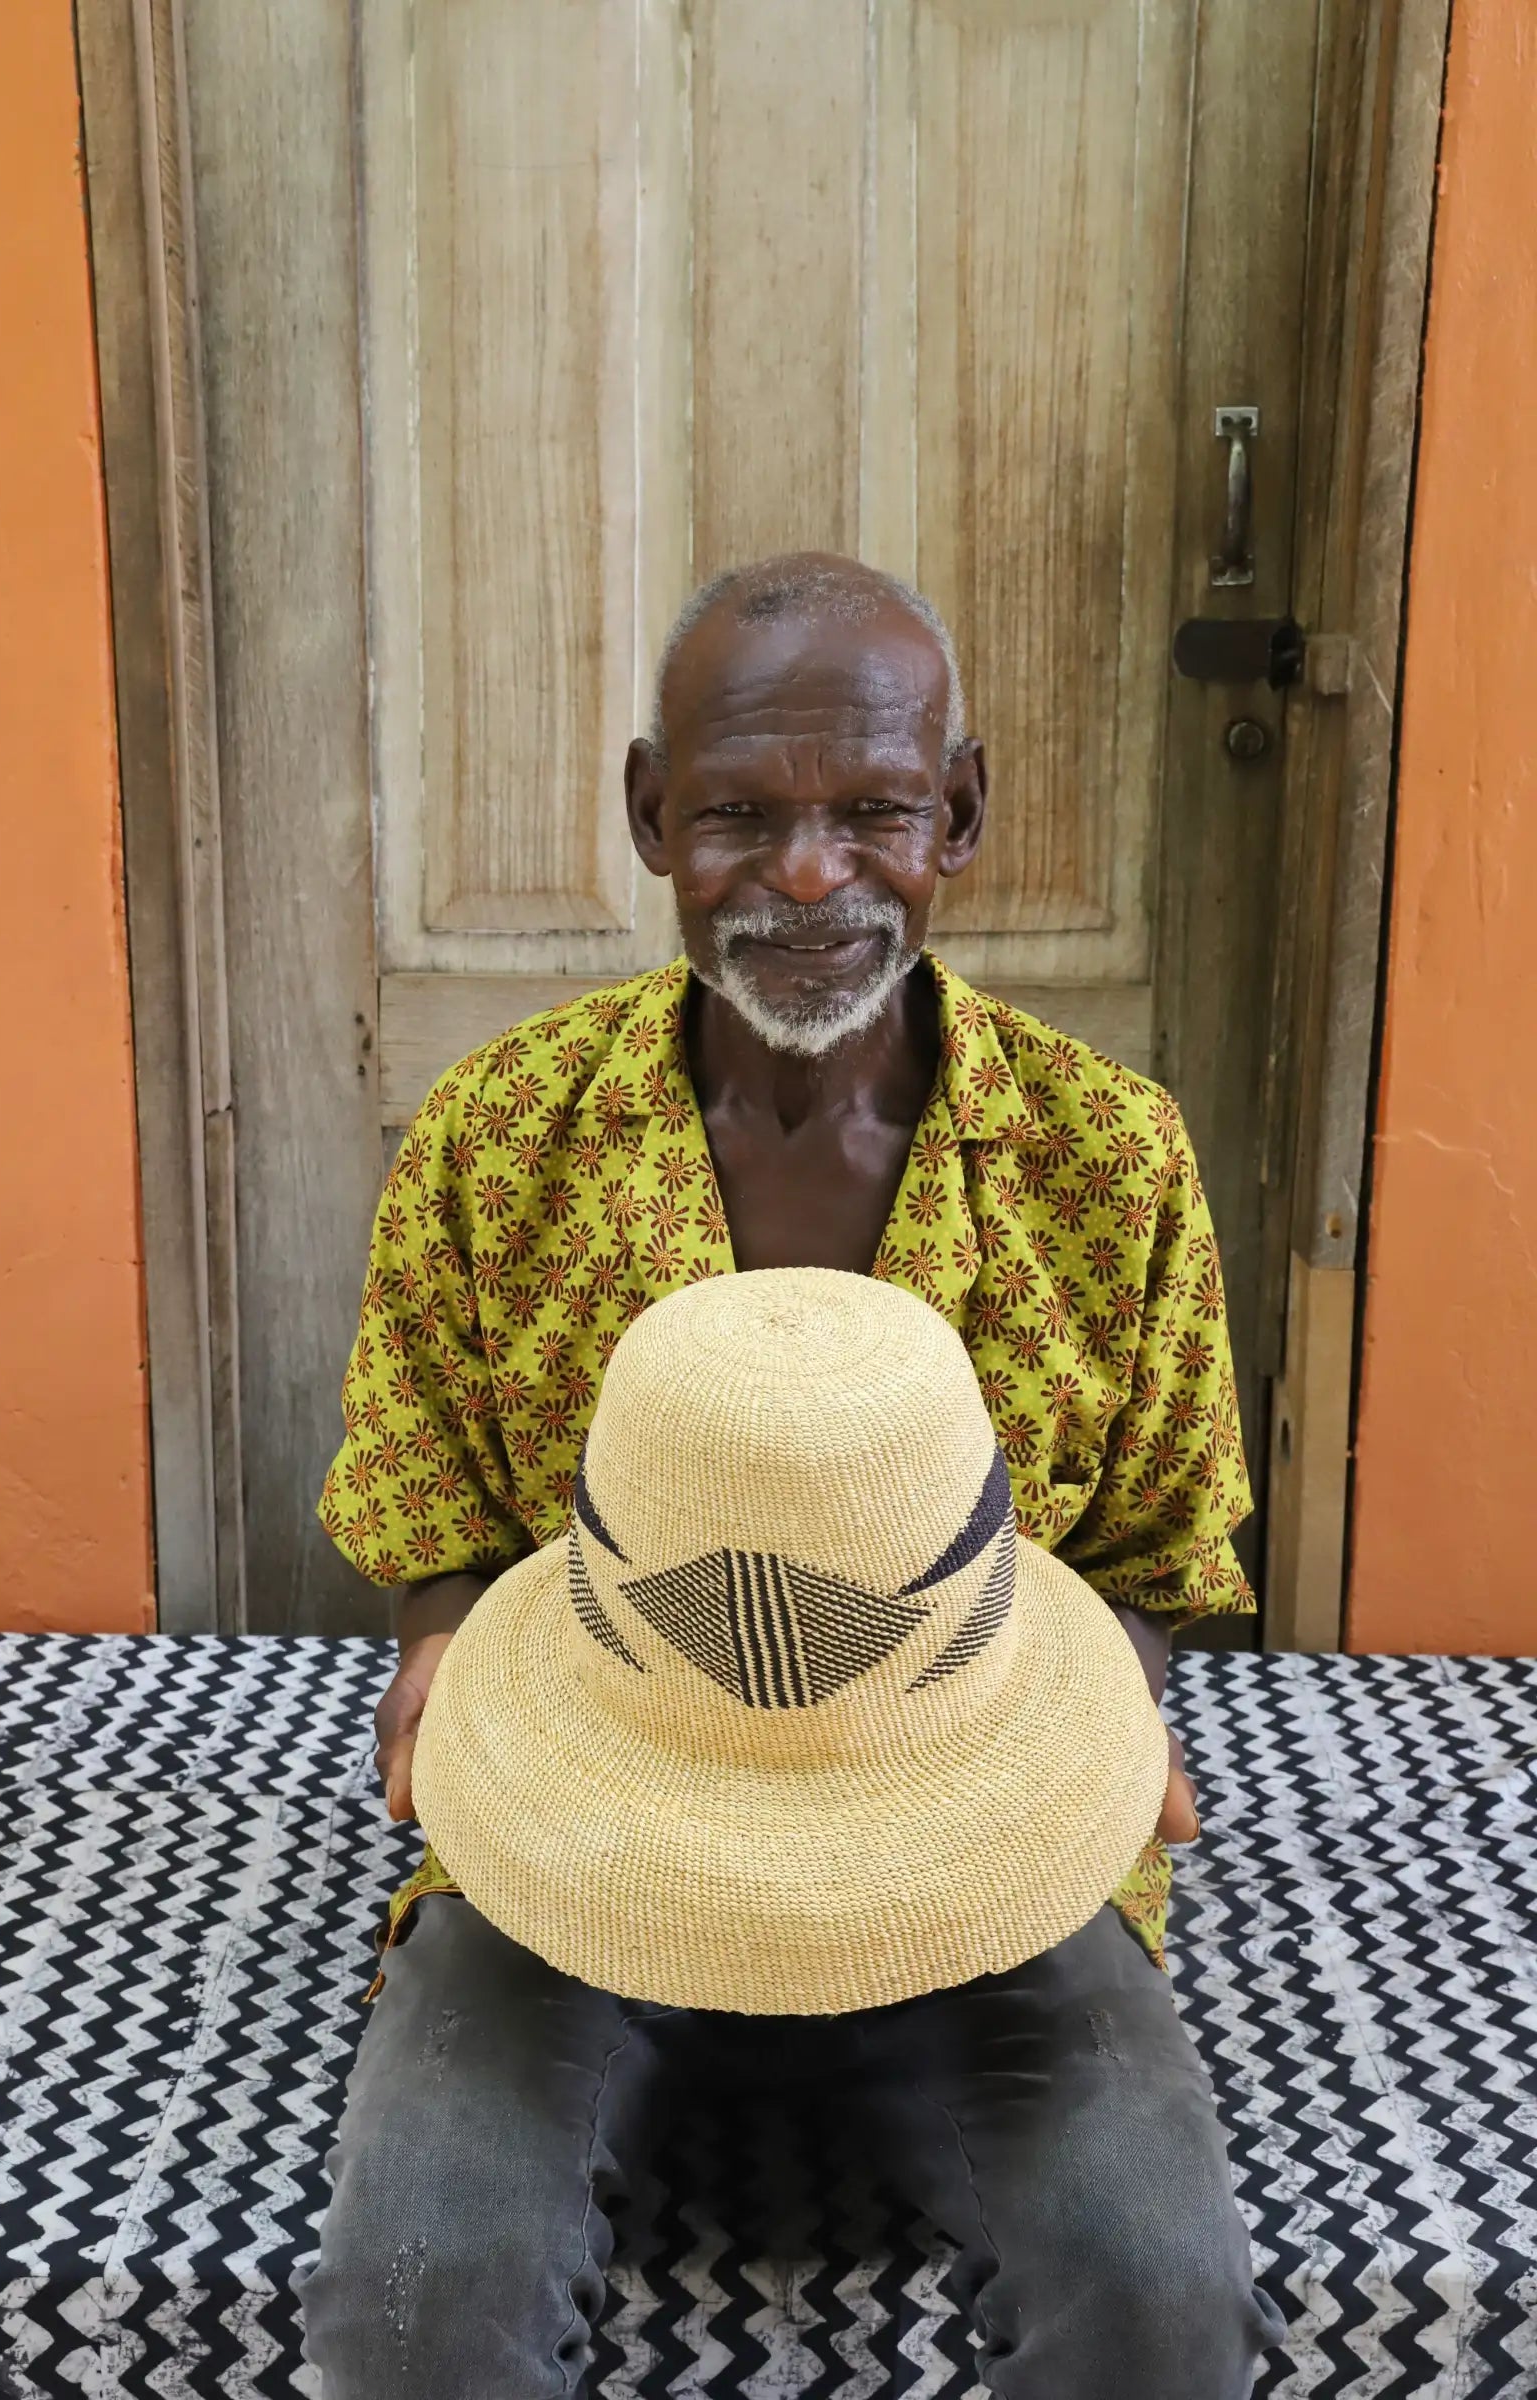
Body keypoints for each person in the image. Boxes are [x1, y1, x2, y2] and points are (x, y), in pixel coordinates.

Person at [299, 553, 1285, 2395]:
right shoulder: (498, 1137)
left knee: (1164, 2301)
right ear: (650, 816)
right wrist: (448, 1669)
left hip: (977, 1846)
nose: (812, 875)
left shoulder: (1108, 1159)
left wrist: (1081, 1744)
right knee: (416, 2305)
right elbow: (433, 1506)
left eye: (876, 812)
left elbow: (1156, 1547)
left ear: (963, 814)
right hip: (584, 1838)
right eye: (740, 814)